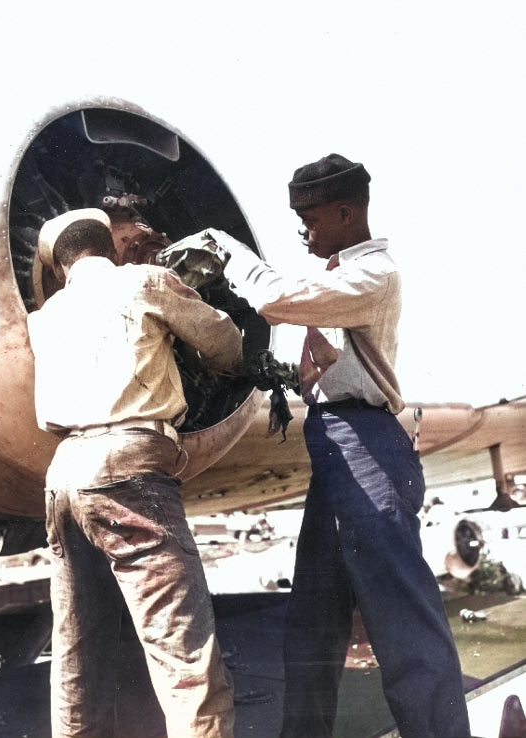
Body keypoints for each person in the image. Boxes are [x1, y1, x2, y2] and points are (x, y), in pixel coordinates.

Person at [201, 155, 471, 738]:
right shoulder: (338, 278)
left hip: (367, 447)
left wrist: (226, 250)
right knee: (312, 625)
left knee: (402, 618)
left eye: (311, 217)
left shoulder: (372, 274)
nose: (303, 229)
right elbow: (329, 361)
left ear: (347, 212)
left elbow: (275, 299)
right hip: (335, 448)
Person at [27, 208, 241, 738]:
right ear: (111, 246)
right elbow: (224, 342)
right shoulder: (144, 280)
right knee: (184, 655)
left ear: (61, 265)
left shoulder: (44, 317)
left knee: (77, 656)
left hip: (64, 477)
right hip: (131, 471)